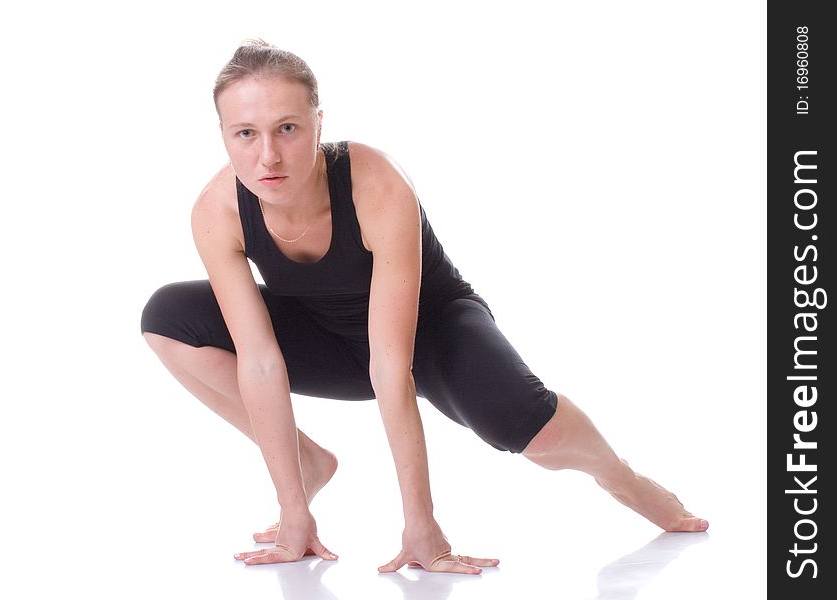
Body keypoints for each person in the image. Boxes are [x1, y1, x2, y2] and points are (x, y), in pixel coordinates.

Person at [140, 39, 708, 575]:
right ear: (222, 135)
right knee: (168, 317)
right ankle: (308, 464)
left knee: (537, 435)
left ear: (319, 122)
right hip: (321, 336)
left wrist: (420, 524)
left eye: (287, 128)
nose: (268, 154)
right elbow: (260, 360)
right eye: (245, 133)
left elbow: (392, 363)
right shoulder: (217, 210)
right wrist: (293, 515)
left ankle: (623, 478)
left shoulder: (374, 183)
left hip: (430, 330)